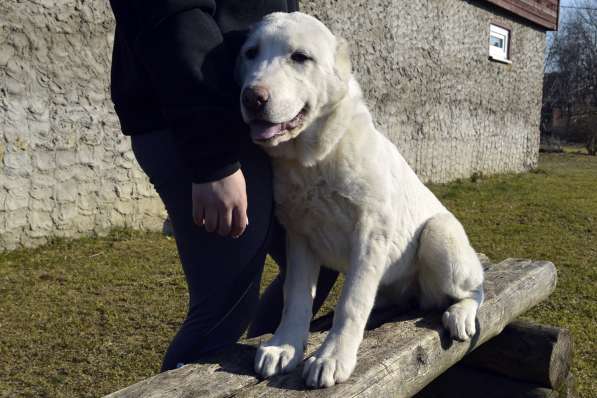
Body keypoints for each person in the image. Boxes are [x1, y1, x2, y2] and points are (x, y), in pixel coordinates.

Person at [107, 0, 338, 371]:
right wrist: (213, 160)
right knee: (223, 308)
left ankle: (263, 362)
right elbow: (172, 17)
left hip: (257, 117)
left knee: (322, 255)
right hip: (200, 120)